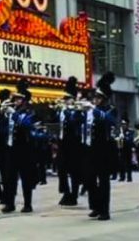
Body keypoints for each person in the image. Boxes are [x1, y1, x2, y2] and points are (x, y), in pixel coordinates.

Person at [0, 80, 38, 214]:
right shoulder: (11, 112)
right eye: (15, 98)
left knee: (25, 177)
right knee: (9, 178)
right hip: (10, 148)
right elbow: (2, 128)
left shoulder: (29, 112)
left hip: (24, 149)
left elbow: (26, 124)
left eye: (19, 99)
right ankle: (10, 203)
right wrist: (1, 114)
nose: (16, 101)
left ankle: (28, 203)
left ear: (25, 100)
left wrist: (13, 114)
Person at [83, 72, 117, 221]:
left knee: (103, 180)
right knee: (89, 178)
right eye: (94, 97)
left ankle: (105, 210)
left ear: (104, 99)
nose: (94, 100)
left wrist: (93, 109)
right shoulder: (91, 111)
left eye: (97, 98)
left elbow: (109, 120)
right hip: (89, 148)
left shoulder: (110, 109)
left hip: (104, 149)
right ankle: (95, 206)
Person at [56, 78, 84, 206]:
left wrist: (68, 110)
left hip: (74, 144)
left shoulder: (77, 111)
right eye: (65, 98)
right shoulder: (62, 111)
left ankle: (74, 195)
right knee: (61, 169)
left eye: (68, 98)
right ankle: (66, 192)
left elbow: (74, 122)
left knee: (74, 171)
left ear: (73, 99)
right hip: (63, 143)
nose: (65, 101)